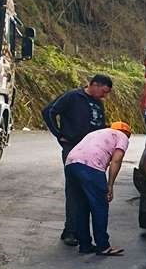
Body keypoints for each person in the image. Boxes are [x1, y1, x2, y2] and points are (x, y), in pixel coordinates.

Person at [42, 75, 112, 245]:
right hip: (73, 148)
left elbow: (100, 127)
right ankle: (70, 232)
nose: (104, 96)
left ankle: (81, 232)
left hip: (92, 152)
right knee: (74, 189)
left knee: (88, 190)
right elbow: (48, 111)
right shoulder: (73, 96)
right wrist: (60, 135)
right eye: (103, 91)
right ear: (94, 85)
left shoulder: (98, 104)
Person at [64, 121, 131, 256]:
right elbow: (116, 160)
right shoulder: (121, 136)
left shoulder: (96, 133)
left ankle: (85, 245)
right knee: (99, 206)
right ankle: (103, 246)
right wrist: (110, 185)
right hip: (90, 167)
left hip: (71, 164)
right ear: (127, 134)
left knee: (81, 206)